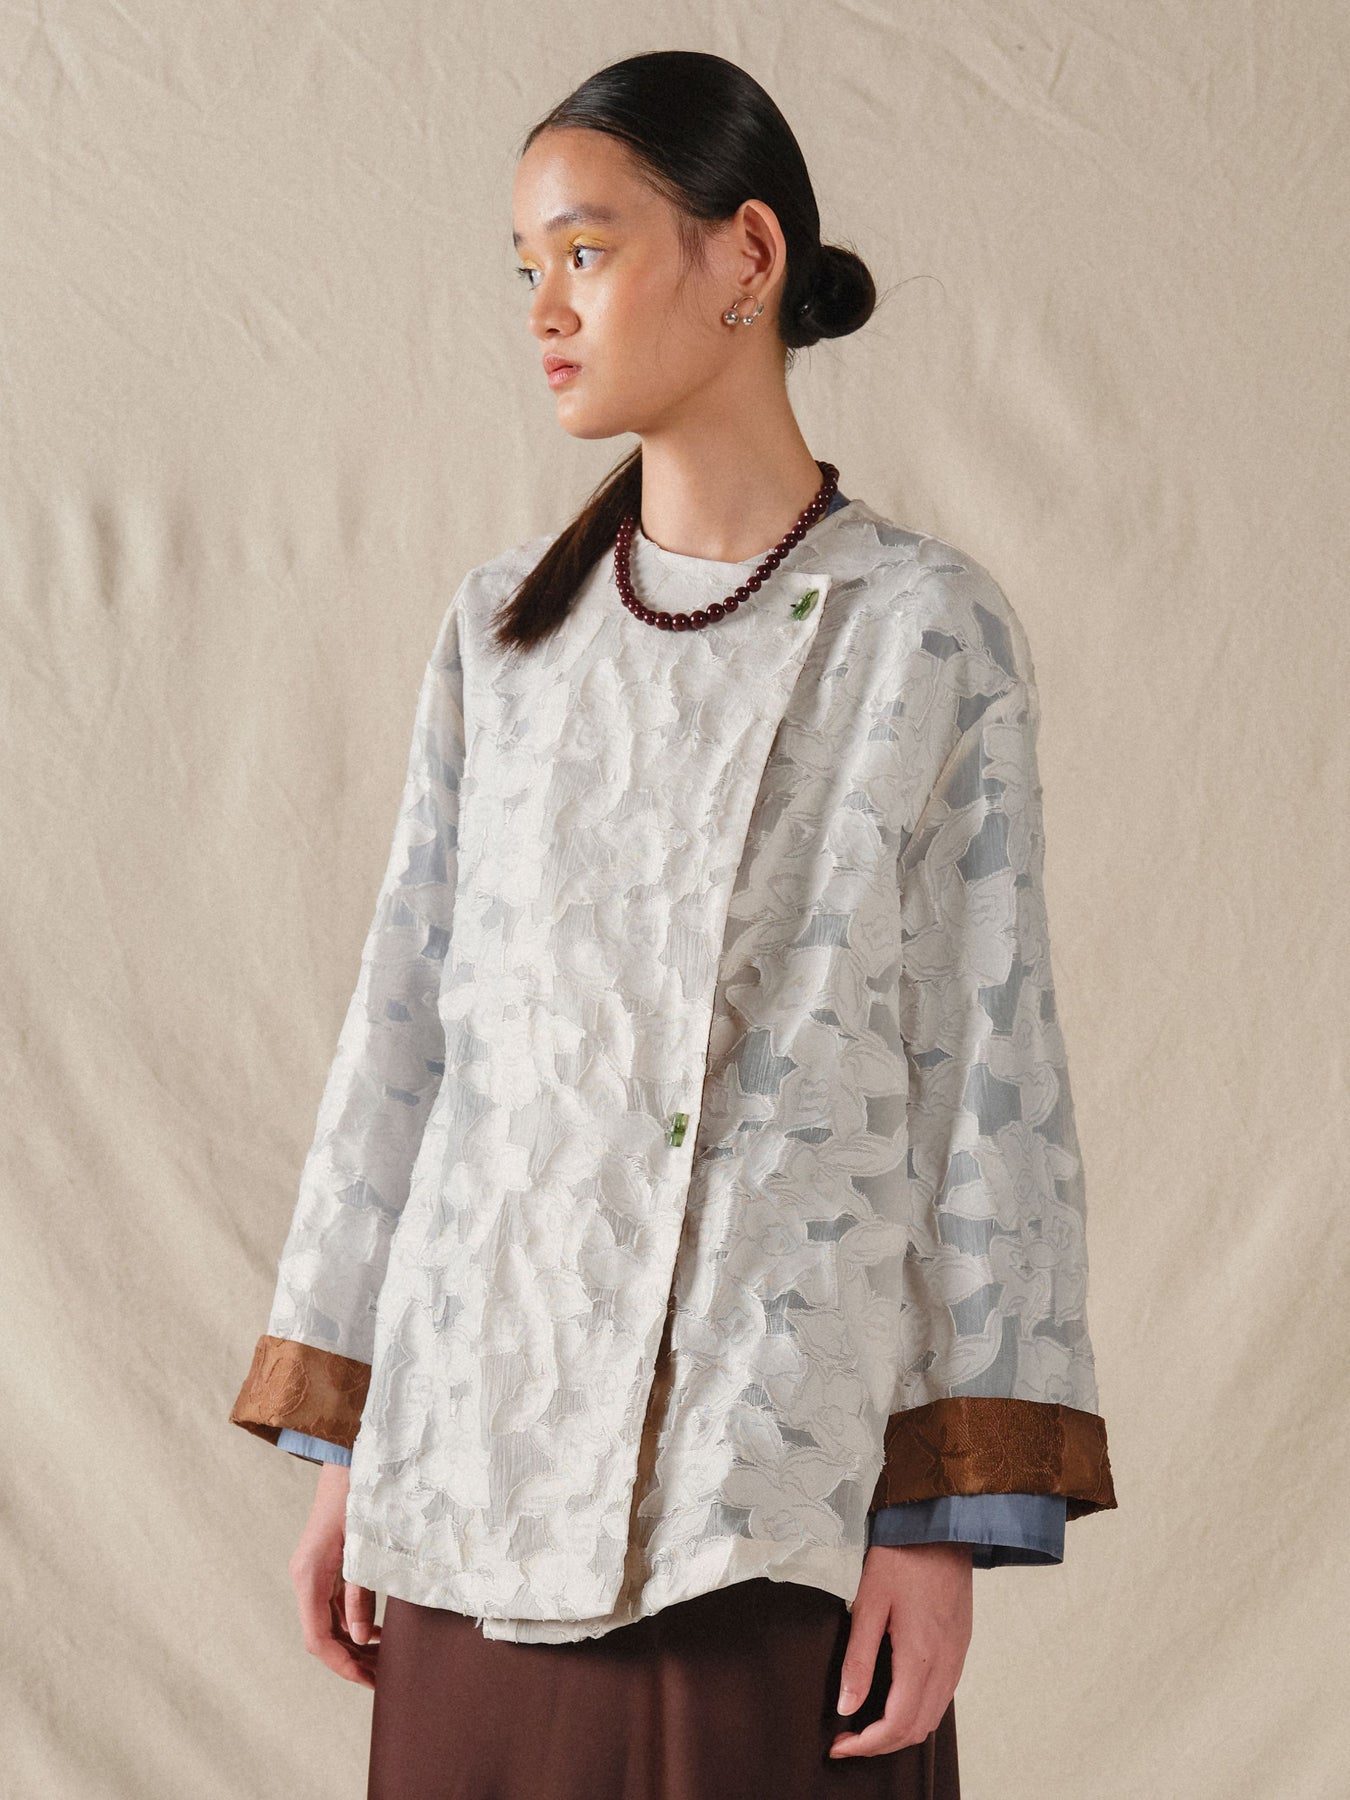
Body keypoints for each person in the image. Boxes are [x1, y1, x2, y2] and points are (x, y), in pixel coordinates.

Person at [228, 49, 1117, 1800]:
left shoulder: (920, 630)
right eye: (525, 267)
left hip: (764, 1491)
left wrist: (936, 1522)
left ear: (745, 257)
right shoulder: (500, 630)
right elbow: (407, 1035)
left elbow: (986, 1077)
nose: (544, 310)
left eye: (586, 250)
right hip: (470, 1470)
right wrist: (353, 1451)